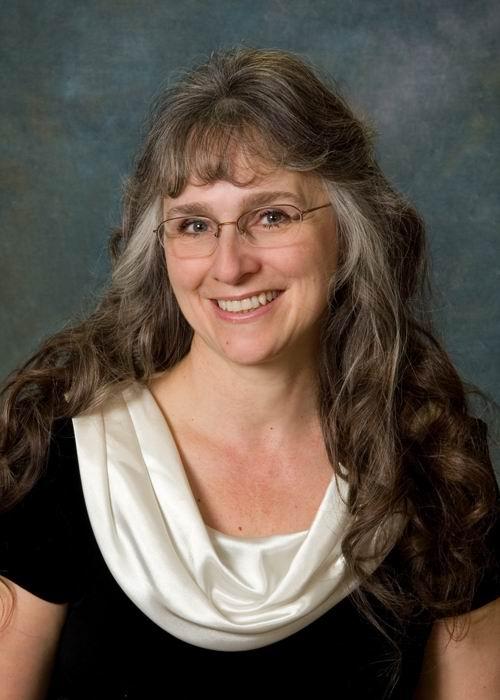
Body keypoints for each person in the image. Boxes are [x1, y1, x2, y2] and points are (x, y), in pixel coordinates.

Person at [1, 45, 499, 699]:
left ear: (350, 233)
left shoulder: (435, 465)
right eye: (194, 224)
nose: (230, 265)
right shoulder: (63, 460)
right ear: (159, 249)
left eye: (271, 216)